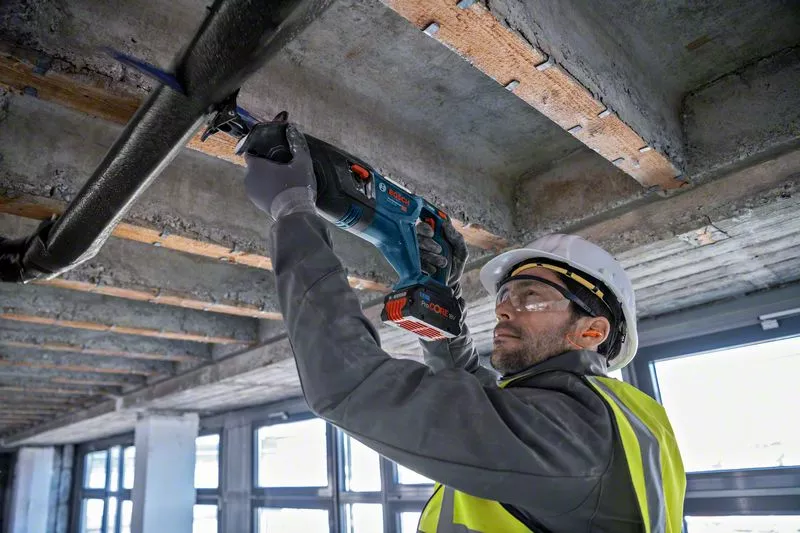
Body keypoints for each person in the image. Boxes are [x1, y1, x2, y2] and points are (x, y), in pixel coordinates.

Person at [243, 123, 686, 532]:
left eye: (531, 297)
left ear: (592, 332)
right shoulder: (608, 420)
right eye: (505, 298)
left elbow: (350, 385)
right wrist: (441, 298)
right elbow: (477, 394)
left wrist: (293, 212)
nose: (504, 312)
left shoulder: (576, 439)